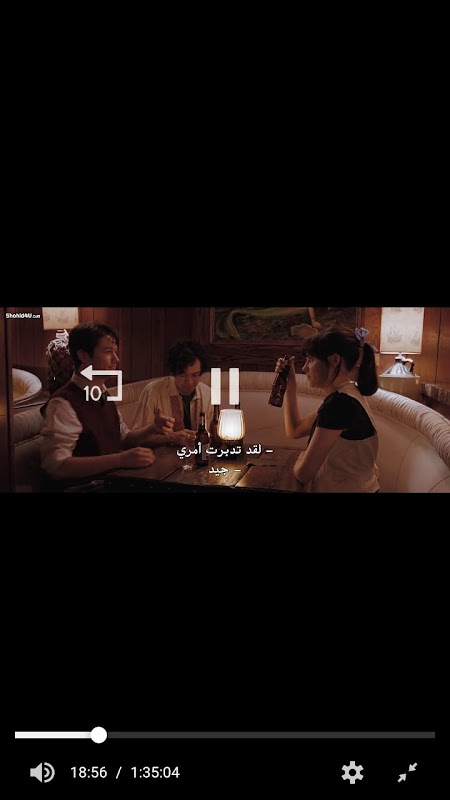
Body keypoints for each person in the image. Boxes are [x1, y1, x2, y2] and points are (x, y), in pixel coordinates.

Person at [40, 322, 175, 489]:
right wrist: (121, 459)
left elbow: (124, 438)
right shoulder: (62, 404)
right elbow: (56, 466)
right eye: (108, 351)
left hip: (115, 482)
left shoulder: (103, 393)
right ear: (83, 355)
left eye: (115, 352)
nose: (116, 359)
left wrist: (153, 428)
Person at [276, 327, 380, 492]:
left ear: (334, 360)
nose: (304, 368)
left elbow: (303, 474)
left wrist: (302, 457)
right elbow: (294, 430)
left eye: (311, 359)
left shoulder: (340, 405)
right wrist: (290, 384)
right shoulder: (348, 395)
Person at [131, 340, 213, 445]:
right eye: (183, 375)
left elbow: (212, 436)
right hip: (160, 454)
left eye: (195, 375)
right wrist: (169, 438)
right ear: (173, 373)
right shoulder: (153, 392)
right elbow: (137, 440)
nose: (189, 382)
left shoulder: (207, 394)